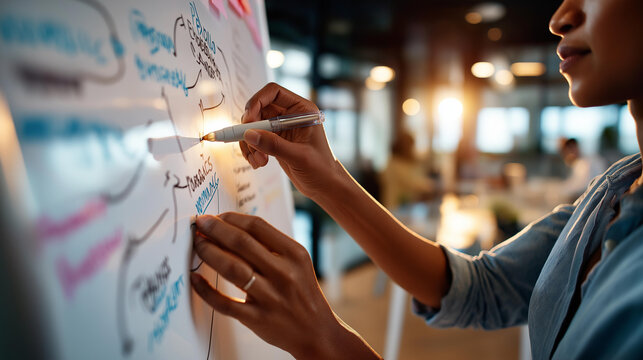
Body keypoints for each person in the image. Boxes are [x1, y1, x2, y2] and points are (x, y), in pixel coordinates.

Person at [189, 0, 643, 358]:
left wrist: (322, 340)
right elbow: (481, 288)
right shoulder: (615, 189)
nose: (560, 18)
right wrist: (325, 178)